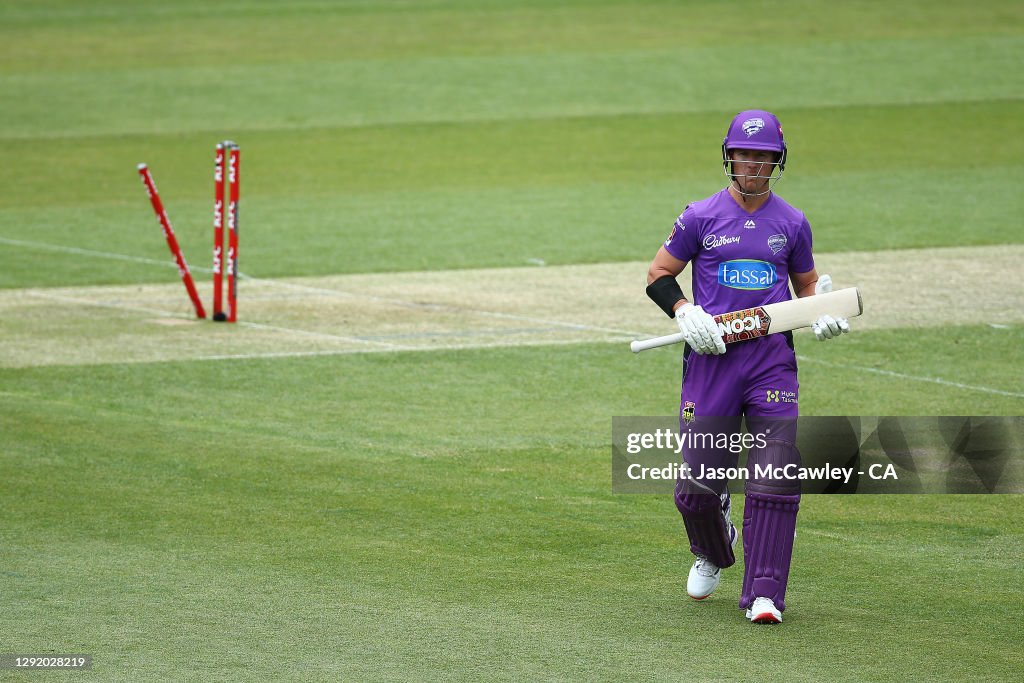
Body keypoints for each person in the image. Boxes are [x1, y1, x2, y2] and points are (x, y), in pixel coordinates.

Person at [644, 110, 849, 624]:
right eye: (745, 154)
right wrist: (684, 309)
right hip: (712, 364)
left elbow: (808, 287)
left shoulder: (792, 222)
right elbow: (659, 273)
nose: (753, 165)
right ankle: (713, 548)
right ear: (729, 157)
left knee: (775, 476)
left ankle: (764, 594)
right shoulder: (700, 216)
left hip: (770, 362)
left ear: (778, 160)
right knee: (695, 491)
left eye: (764, 156)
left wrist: (821, 311)